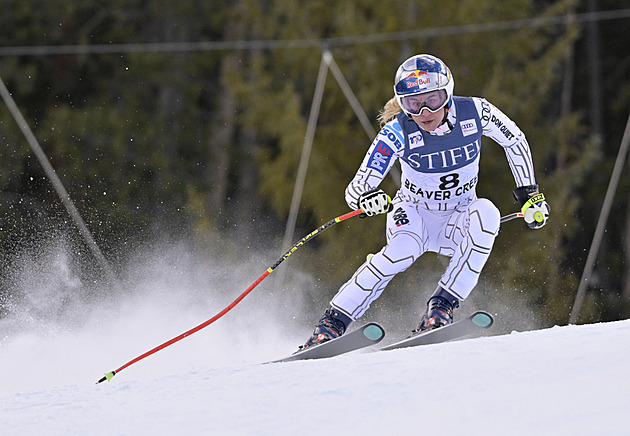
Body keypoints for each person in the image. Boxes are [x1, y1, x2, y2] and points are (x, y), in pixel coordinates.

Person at [302, 54, 550, 348]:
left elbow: (515, 140)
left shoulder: (476, 112)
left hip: (458, 218)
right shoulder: (397, 131)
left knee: (487, 214)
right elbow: (356, 188)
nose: (424, 111)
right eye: (412, 103)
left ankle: (440, 308)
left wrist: (530, 194)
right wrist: (366, 198)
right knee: (399, 253)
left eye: (432, 99)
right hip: (413, 215)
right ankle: (331, 324)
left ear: (447, 94)